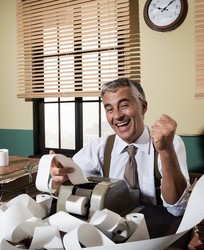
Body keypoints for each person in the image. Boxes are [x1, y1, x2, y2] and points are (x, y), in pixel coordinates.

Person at [50, 78, 190, 217]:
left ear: (143, 106)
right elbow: (66, 181)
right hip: (111, 225)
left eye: (124, 105)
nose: (117, 115)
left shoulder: (170, 143)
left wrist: (166, 151)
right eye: (110, 109)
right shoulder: (99, 147)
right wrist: (58, 182)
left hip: (158, 228)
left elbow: (177, 209)